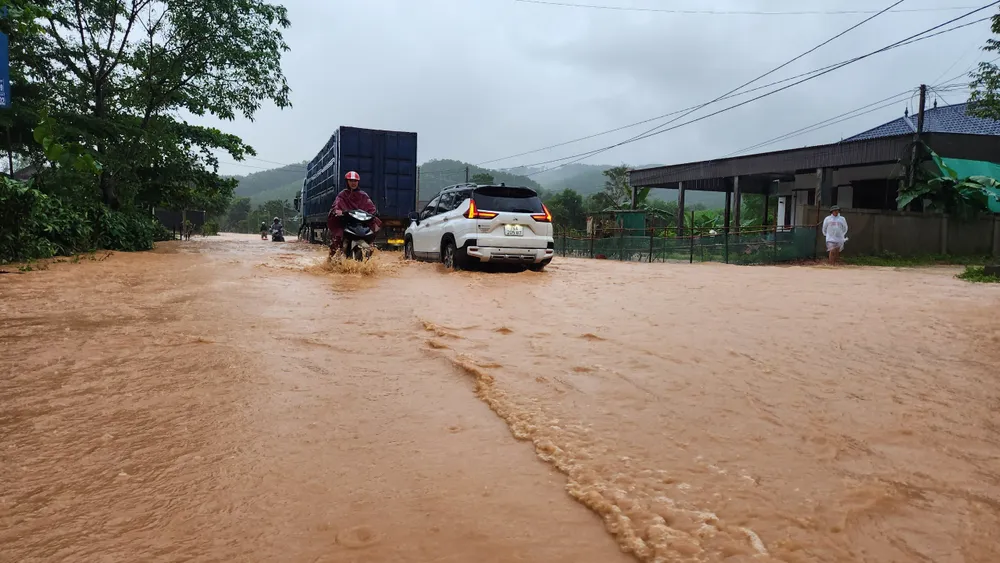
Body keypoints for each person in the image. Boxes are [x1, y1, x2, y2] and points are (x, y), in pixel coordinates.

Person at [327, 171, 381, 255]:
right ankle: (333, 257)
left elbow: (371, 207)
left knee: (373, 233)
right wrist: (339, 212)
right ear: (347, 182)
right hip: (346, 222)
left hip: (361, 223)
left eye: (355, 181)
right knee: (338, 237)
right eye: (351, 181)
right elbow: (336, 206)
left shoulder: (363, 195)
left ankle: (370, 249)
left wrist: (373, 213)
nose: (353, 183)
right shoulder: (342, 195)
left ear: (358, 182)